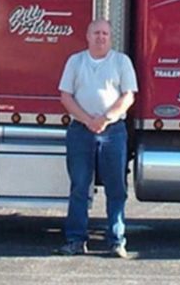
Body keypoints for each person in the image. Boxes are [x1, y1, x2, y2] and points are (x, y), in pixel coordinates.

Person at [55, 18, 137, 258]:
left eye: (105, 34)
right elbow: (66, 97)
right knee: (79, 186)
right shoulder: (75, 61)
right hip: (80, 131)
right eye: (96, 33)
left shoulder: (121, 62)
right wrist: (88, 120)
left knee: (116, 188)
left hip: (114, 132)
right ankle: (76, 240)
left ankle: (116, 241)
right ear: (87, 36)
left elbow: (128, 96)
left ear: (111, 38)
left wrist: (105, 118)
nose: (101, 37)